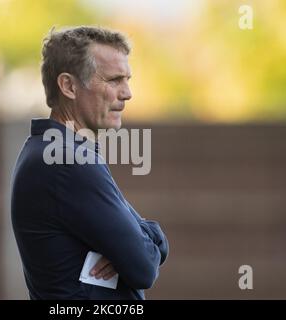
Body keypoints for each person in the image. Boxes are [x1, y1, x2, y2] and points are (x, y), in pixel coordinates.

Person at [11, 26, 169, 300]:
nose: (127, 93)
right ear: (69, 86)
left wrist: (141, 240)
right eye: (114, 80)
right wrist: (145, 240)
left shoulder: (55, 151)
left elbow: (140, 253)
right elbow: (143, 267)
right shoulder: (66, 161)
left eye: (127, 79)